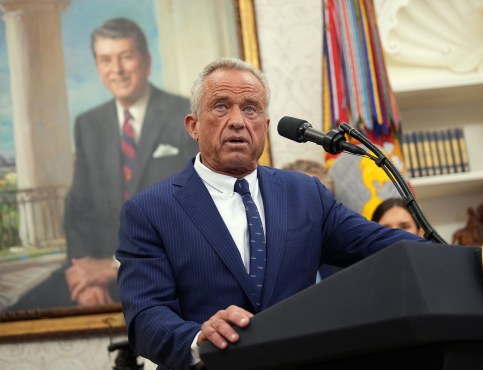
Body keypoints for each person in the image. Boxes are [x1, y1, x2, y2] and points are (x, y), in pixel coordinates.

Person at [116, 57, 428, 370]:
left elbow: (386, 246)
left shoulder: (306, 194)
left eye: (250, 108)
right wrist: (199, 339)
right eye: (221, 106)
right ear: (193, 125)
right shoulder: (149, 211)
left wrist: (472, 258)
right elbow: (146, 317)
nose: (238, 121)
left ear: (265, 126)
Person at [11, 18, 198, 310]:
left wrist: (112, 268)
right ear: (98, 68)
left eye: (126, 57)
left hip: (167, 271)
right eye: (106, 60)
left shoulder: (185, 115)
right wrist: (85, 277)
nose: (117, 70)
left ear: (146, 62)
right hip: (96, 270)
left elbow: (196, 213)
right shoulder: (88, 124)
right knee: (18, 312)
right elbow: (78, 211)